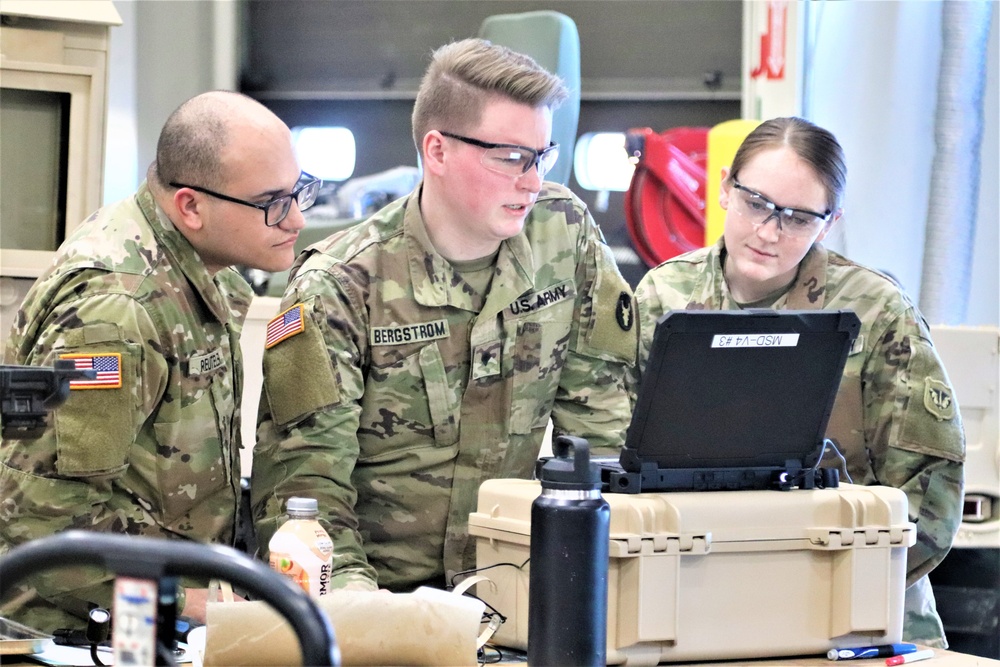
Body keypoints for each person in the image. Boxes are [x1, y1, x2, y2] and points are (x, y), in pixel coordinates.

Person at [251, 38, 636, 593]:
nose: (531, 180)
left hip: (522, 591)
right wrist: (369, 617)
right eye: (510, 158)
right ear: (437, 151)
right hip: (383, 600)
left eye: (542, 156)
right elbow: (304, 497)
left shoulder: (564, 234)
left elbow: (601, 437)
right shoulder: (338, 286)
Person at [632, 116, 965, 647]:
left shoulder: (875, 312)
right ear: (724, 188)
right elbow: (624, 465)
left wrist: (836, 587)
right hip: (693, 604)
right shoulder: (660, 298)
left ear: (828, 224)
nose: (769, 232)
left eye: (797, 218)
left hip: (858, 610)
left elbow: (932, 490)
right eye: (756, 203)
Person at [0, 91, 315, 632]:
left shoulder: (202, 266)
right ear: (190, 205)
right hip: (77, 633)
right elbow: (42, 522)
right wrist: (206, 608)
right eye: (272, 202)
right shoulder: (119, 312)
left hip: (157, 616)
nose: (296, 218)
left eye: (299, 190)